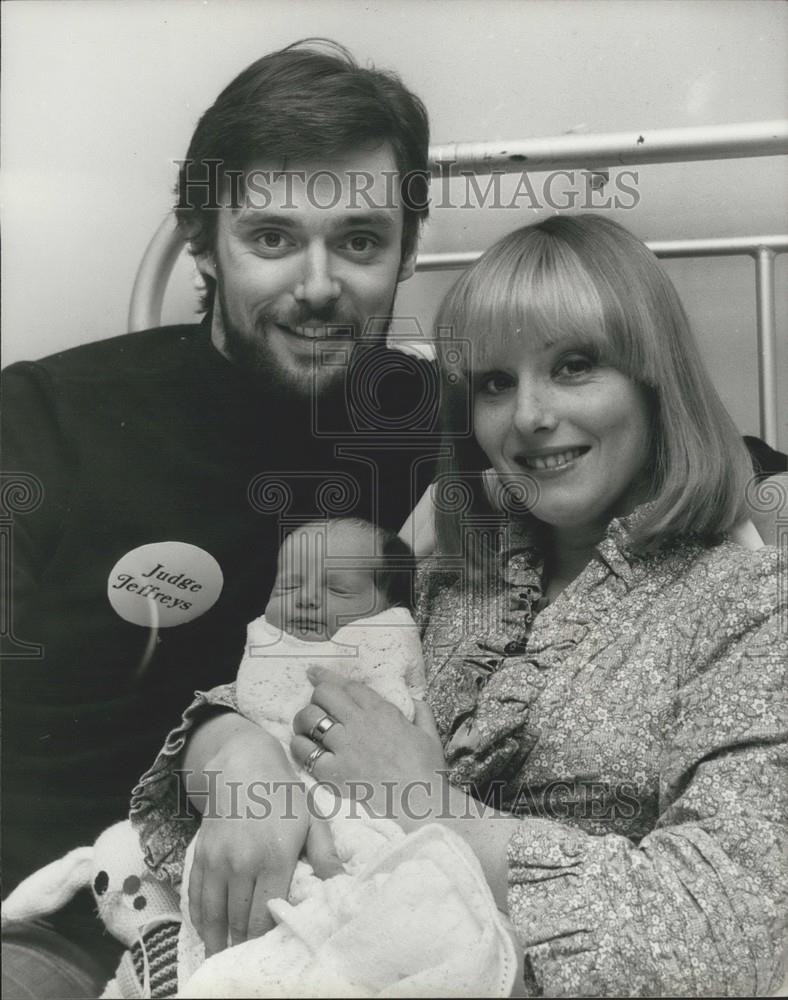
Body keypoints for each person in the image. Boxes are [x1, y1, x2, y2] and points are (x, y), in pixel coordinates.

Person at [133, 214, 786, 996]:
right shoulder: (450, 575)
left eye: (575, 366)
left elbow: (727, 927)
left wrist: (425, 804)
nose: (530, 416)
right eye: (494, 383)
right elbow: (287, 688)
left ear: (655, 381)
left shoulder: (749, 607)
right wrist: (239, 758)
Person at [1, 39, 441, 998]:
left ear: (407, 251)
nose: (320, 284)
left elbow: (681, 456)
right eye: (272, 237)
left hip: (315, 924)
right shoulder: (45, 419)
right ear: (203, 240)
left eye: (360, 240)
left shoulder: (425, 419)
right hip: (55, 914)